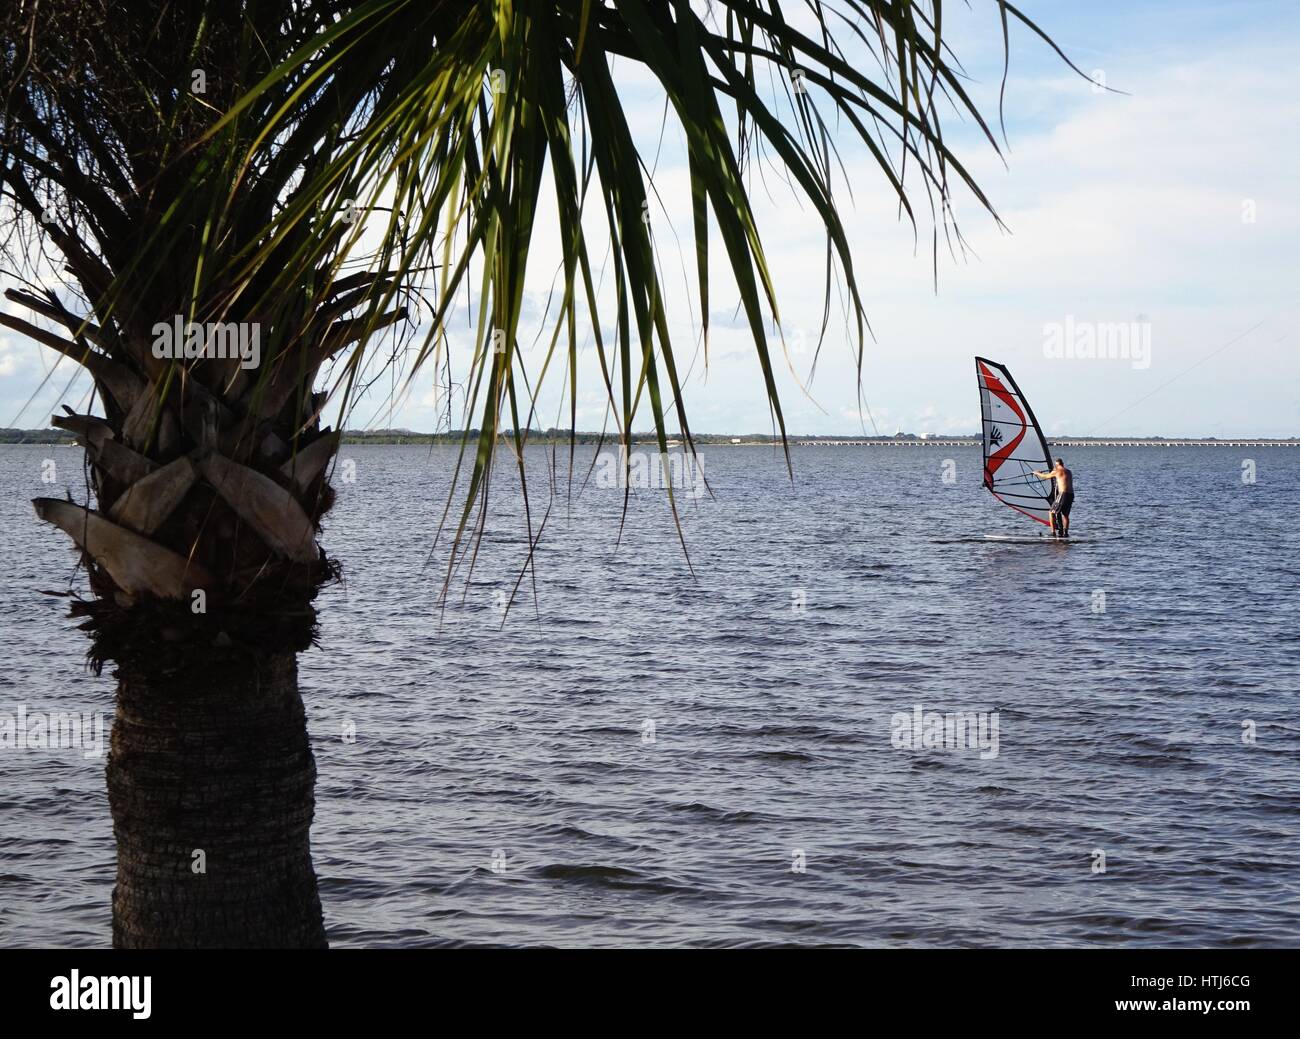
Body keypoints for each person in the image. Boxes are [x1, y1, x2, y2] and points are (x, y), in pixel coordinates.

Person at [1033, 458, 1074, 537]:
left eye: (1055, 465)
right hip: (1071, 495)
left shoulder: (1057, 471)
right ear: (1062, 464)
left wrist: (1037, 473)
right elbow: (1060, 477)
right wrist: (1052, 472)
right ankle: (1065, 533)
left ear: (1057, 465)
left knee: (1051, 512)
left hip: (1063, 494)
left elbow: (1044, 477)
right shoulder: (1069, 471)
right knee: (1065, 515)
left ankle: (1053, 532)